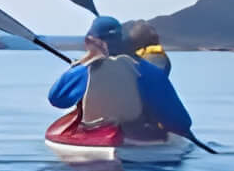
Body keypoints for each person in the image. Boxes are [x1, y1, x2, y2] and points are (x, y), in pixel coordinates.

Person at [49, 13, 193, 139]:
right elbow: (181, 122)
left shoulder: (83, 71)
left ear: (90, 42)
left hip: (96, 137)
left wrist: (77, 66)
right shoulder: (150, 72)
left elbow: (57, 100)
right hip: (141, 140)